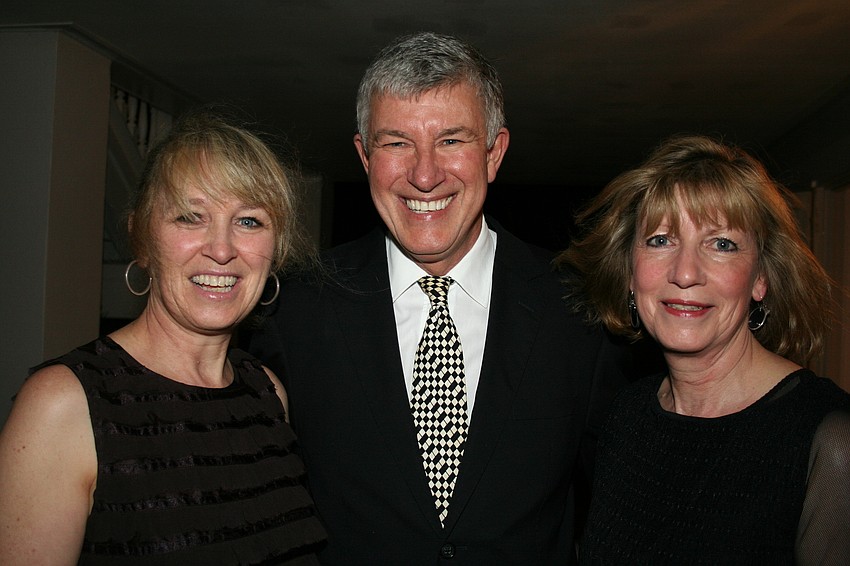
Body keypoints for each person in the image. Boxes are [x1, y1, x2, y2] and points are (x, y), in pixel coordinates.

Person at [247, 31, 624, 564]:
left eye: (451, 140)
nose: (424, 175)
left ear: (494, 153)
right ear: (364, 156)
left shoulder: (579, 309)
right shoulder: (293, 309)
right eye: (396, 143)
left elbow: (620, 511)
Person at [0, 108, 326, 564]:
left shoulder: (267, 392)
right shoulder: (63, 404)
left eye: (249, 221)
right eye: (190, 217)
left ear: (276, 251)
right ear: (142, 240)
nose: (221, 249)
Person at [559, 134, 850, 564]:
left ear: (760, 278)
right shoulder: (626, 416)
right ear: (629, 272)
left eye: (721, 244)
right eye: (660, 240)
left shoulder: (830, 440)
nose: (685, 273)